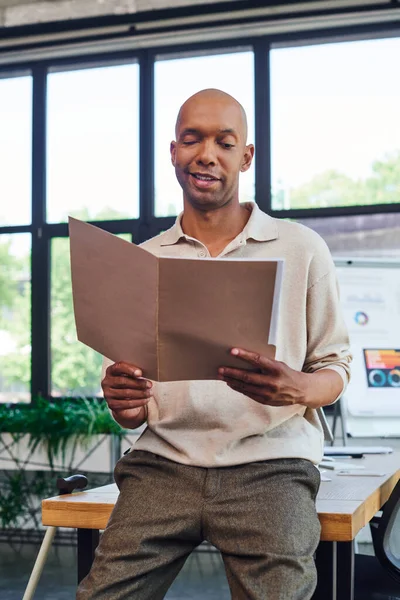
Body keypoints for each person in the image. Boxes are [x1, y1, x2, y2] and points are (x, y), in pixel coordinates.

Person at [77, 88, 351, 600]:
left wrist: (298, 389)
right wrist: (124, 403)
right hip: (162, 464)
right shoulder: (143, 259)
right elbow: (132, 407)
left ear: (245, 157)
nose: (206, 154)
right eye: (191, 140)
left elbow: (336, 367)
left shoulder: (301, 247)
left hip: (271, 467)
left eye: (225, 143)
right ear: (174, 152)